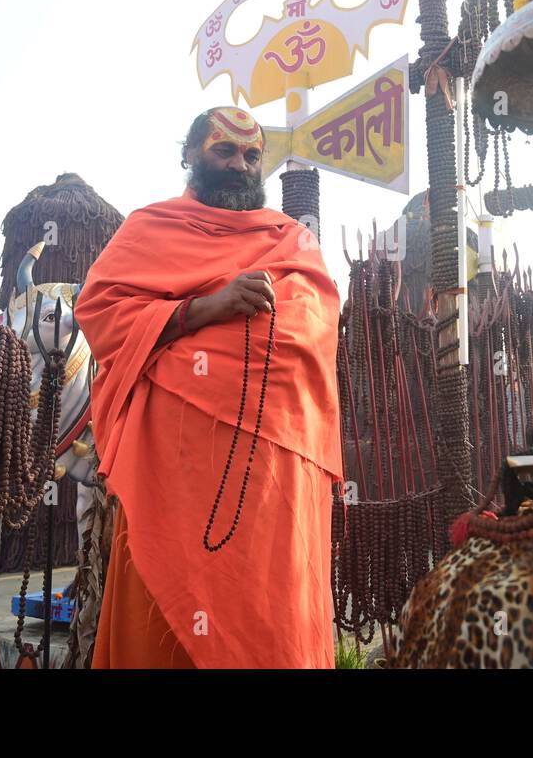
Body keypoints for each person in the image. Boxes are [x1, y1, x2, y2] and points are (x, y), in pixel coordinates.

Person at [74, 106, 342, 668]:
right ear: (190, 155)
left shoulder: (291, 243)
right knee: (163, 616)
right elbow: (103, 313)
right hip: (169, 475)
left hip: (268, 481)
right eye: (224, 151)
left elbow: (304, 338)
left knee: (264, 616)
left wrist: (185, 355)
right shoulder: (150, 229)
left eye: (250, 156)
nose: (239, 164)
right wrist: (205, 310)